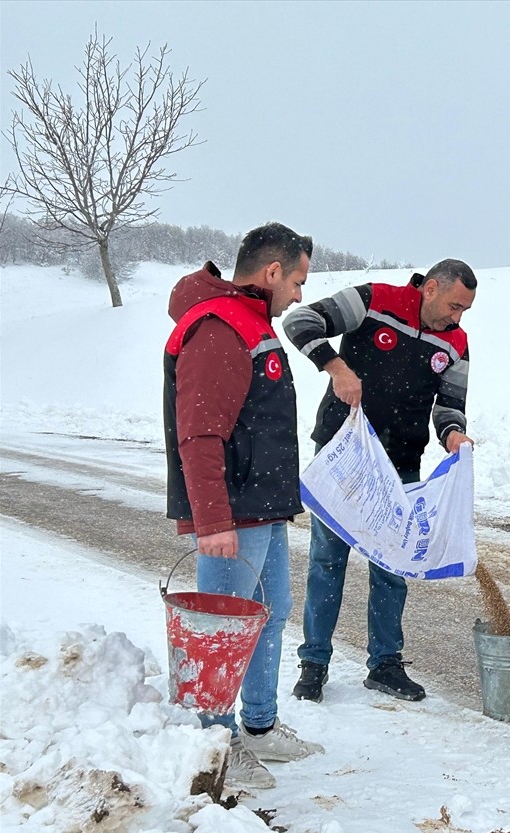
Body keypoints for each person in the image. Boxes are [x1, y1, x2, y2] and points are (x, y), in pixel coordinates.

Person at [164, 222, 324, 791]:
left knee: (270, 611)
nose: (300, 295)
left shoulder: (251, 322)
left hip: (264, 506)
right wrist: (212, 521)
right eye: (298, 282)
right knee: (222, 629)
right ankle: (216, 741)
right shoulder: (219, 325)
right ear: (273, 271)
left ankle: (258, 725)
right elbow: (200, 432)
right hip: (233, 512)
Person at [283, 259, 477, 704]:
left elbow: (450, 403)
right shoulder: (373, 301)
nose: (457, 317)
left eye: (465, 309)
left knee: (392, 566)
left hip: (401, 462)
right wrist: (335, 366)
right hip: (344, 453)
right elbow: (300, 320)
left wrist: (452, 434)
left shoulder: (456, 342)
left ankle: (385, 664)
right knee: (327, 560)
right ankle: (313, 664)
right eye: (454, 305)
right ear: (430, 288)